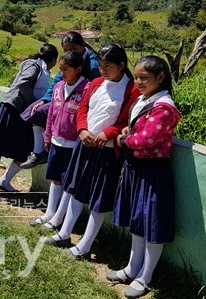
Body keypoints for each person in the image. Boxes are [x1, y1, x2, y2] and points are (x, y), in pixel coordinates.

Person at [45, 43, 140, 260]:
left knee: (98, 198)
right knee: (75, 189)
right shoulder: (96, 83)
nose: (103, 70)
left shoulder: (131, 90)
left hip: (107, 151)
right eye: (100, 65)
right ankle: (64, 233)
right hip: (85, 144)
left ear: (122, 65)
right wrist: (82, 130)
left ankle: (85, 246)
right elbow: (83, 109)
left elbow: (126, 121)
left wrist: (107, 133)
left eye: (108, 66)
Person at [108, 56, 181, 299]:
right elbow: (138, 130)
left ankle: (145, 276)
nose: (138, 81)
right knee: (138, 223)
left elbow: (146, 140)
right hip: (136, 167)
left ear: (160, 78)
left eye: (144, 78)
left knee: (152, 226)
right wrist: (130, 130)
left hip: (152, 172)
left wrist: (122, 139)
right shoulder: (144, 100)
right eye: (136, 76)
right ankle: (131, 268)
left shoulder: (164, 107)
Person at [0, 44, 59, 200]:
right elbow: (23, 83)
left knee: (24, 150)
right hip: (13, 108)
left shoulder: (44, 69)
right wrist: (33, 103)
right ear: (53, 59)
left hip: (25, 114)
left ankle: (5, 181)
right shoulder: (34, 66)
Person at [20, 31, 100, 169]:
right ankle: (39, 151)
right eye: (66, 50)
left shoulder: (93, 64)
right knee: (36, 110)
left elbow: (94, 89)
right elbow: (57, 80)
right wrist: (44, 100)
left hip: (80, 102)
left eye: (74, 49)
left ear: (82, 47)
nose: (69, 52)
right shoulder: (68, 61)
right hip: (63, 98)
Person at [29, 51, 89, 230]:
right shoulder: (58, 87)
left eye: (65, 69)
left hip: (73, 145)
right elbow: (51, 115)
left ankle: (58, 219)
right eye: (60, 69)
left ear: (78, 69)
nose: (61, 73)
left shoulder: (86, 89)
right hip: (56, 141)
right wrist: (48, 136)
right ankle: (49, 213)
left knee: (68, 182)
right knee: (55, 179)